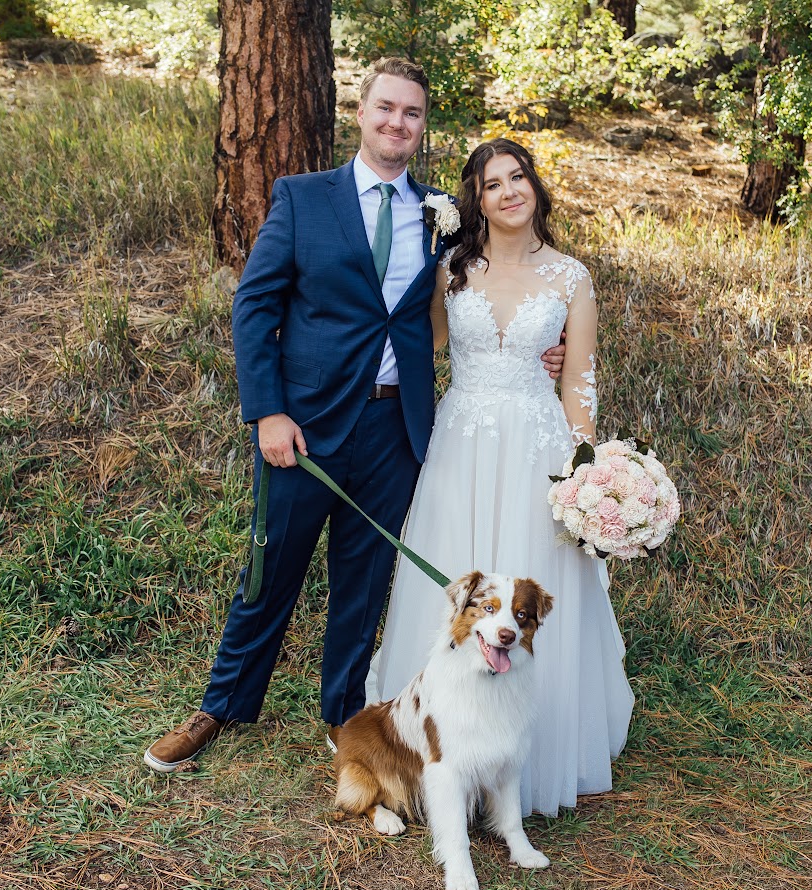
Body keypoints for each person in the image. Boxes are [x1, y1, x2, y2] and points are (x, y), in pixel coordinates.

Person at [144, 62, 565, 772]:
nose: (398, 122)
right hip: (303, 429)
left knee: (363, 585)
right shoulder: (303, 198)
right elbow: (255, 306)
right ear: (361, 113)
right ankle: (219, 706)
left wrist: (542, 347)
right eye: (386, 108)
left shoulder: (443, 214)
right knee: (269, 574)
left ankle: (342, 715)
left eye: (412, 113)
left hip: (395, 431)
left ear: (423, 126)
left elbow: (489, 289)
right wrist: (268, 412)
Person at [366, 138, 634, 816]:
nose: (509, 191)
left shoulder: (571, 277)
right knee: (454, 586)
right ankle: (435, 754)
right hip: (461, 444)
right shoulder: (452, 269)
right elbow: (418, 344)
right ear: (476, 200)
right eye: (492, 184)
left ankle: (532, 762)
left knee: (525, 582)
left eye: (518, 177)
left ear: (534, 187)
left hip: (536, 449)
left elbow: (579, 384)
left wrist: (585, 478)